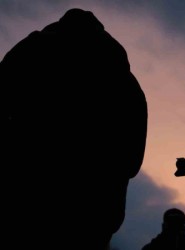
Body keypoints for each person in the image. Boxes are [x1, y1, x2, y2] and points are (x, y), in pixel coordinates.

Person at [1, 8, 147, 250]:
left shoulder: (29, 53)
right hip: (94, 212)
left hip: (25, 201)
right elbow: (133, 161)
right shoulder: (127, 85)